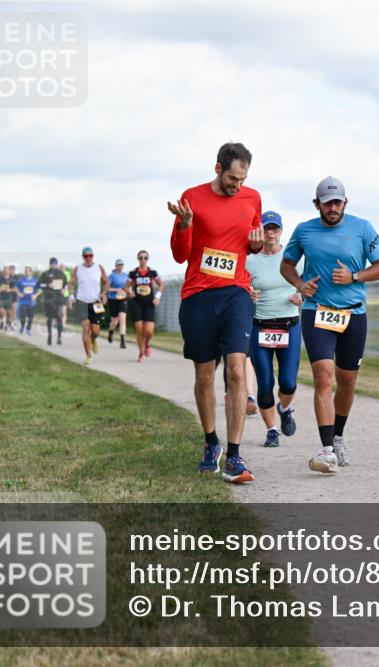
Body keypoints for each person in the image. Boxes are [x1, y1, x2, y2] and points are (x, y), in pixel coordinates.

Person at [167, 141, 264, 484]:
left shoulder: (252, 198)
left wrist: (256, 244)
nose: (237, 185)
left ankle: (235, 456)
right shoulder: (192, 197)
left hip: (236, 292)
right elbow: (181, 255)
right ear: (218, 168)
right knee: (205, 375)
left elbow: (251, 244)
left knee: (237, 371)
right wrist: (184, 225)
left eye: (243, 179)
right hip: (198, 295)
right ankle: (211, 443)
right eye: (233, 178)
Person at [281, 177, 379, 474]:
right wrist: (301, 285)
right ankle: (326, 449)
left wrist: (354, 277)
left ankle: (338, 435)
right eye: (327, 203)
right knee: (322, 376)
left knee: (347, 380)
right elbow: (286, 265)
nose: (332, 208)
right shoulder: (304, 231)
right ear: (317, 204)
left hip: (353, 313)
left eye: (337, 202)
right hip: (317, 311)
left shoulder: (362, 228)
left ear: (345, 203)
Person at [247, 211, 303, 448]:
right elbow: (240, 286)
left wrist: (302, 294)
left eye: (274, 229)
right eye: (266, 228)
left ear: (281, 231)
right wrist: (248, 293)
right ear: (260, 231)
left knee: (288, 383)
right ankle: (272, 430)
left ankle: (285, 408)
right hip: (261, 326)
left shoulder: (292, 258)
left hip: (289, 325)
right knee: (266, 383)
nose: (270, 233)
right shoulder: (249, 260)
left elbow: (310, 284)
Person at [70, 247, 108, 365]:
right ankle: (88, 355)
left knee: (96, 331)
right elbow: (71, 283)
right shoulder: (78, 269)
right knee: (85, 328)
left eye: (90, 256)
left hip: (96, 302)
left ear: (93, 256)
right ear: (83, 257)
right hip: (81, 301)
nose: (88, 258)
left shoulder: (99, 268)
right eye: (85, 256)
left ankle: (94, 340)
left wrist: (104, 294)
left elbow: (106, 282)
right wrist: (71, 296)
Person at [127, 250, 163, 362]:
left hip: (149, 303)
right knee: (138, 328)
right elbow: (126, 286)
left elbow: (161, 285)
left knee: (149, 331)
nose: (143, 259)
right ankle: (141, 353)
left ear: (147, 259)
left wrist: (157, 296)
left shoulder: (152, 273)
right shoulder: (133, 273)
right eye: (141, 257)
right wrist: (129, 292)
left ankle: (147, 343)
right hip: (137, 303)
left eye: (145, 257)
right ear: (138, 259)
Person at [38, 258, 68, 345]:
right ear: (50, 264)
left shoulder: (61, 273)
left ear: (56, 264)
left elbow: (65, 284)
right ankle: (49, 336)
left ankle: (59, 337)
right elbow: (39, 284)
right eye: (52, 264)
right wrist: (47, 285)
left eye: (55, 264)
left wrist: (63, 289)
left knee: (59, 318)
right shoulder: (45, 274)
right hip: (49, 299)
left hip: (59, 299)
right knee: (49, 319)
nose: (53, 265)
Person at [106, 259, 130, 348]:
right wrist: (116, 289)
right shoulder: (112, 276)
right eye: (118, 265)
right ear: (115, 266)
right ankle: (111, 331)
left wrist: (129, 291)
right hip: (113, 298)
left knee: (122, 318)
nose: (120, 266)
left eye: (121, 265)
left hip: (123, 298)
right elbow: (107, 288)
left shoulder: (126, 276)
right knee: (114, 321)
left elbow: (128, 286)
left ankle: (122, 340)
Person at [16, 266, 40, 336]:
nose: (26, 272)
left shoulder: (35, 281)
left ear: (31, 272)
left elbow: (40, 290)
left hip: (31, 302)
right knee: (23, 317)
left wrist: (35, 295)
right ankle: (23, 325)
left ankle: (28, 328)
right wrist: (18, 293)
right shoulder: (20, 280)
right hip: (22, 301)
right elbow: (15, 288)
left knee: (31, 317)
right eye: (25, 271)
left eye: (28, 271)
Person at [0, 265, 18, 331]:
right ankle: (3, 320)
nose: (6, 271)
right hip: (0, 297)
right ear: (3, 271)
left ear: (9, 271)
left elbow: (15, 289)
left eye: (7, 270)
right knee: (1, 312)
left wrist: (10, 290)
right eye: (5, 269)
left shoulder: (12, 280)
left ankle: (7, 324)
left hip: (8, 298)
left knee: (9, 313)